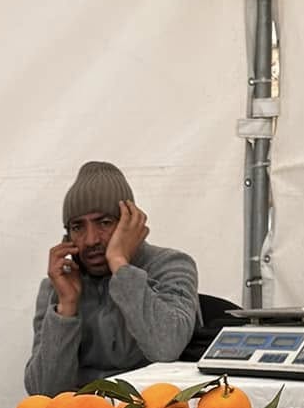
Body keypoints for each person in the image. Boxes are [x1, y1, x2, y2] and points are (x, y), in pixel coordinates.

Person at [24, 162, 199, 394]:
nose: (91, 240)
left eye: (104, 223)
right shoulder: (57, 285)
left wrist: (120, 264)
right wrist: (66, 306)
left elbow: (166, 348)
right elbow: (43, 393)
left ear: (130, 223)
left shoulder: (170, 265)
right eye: (78, 227)